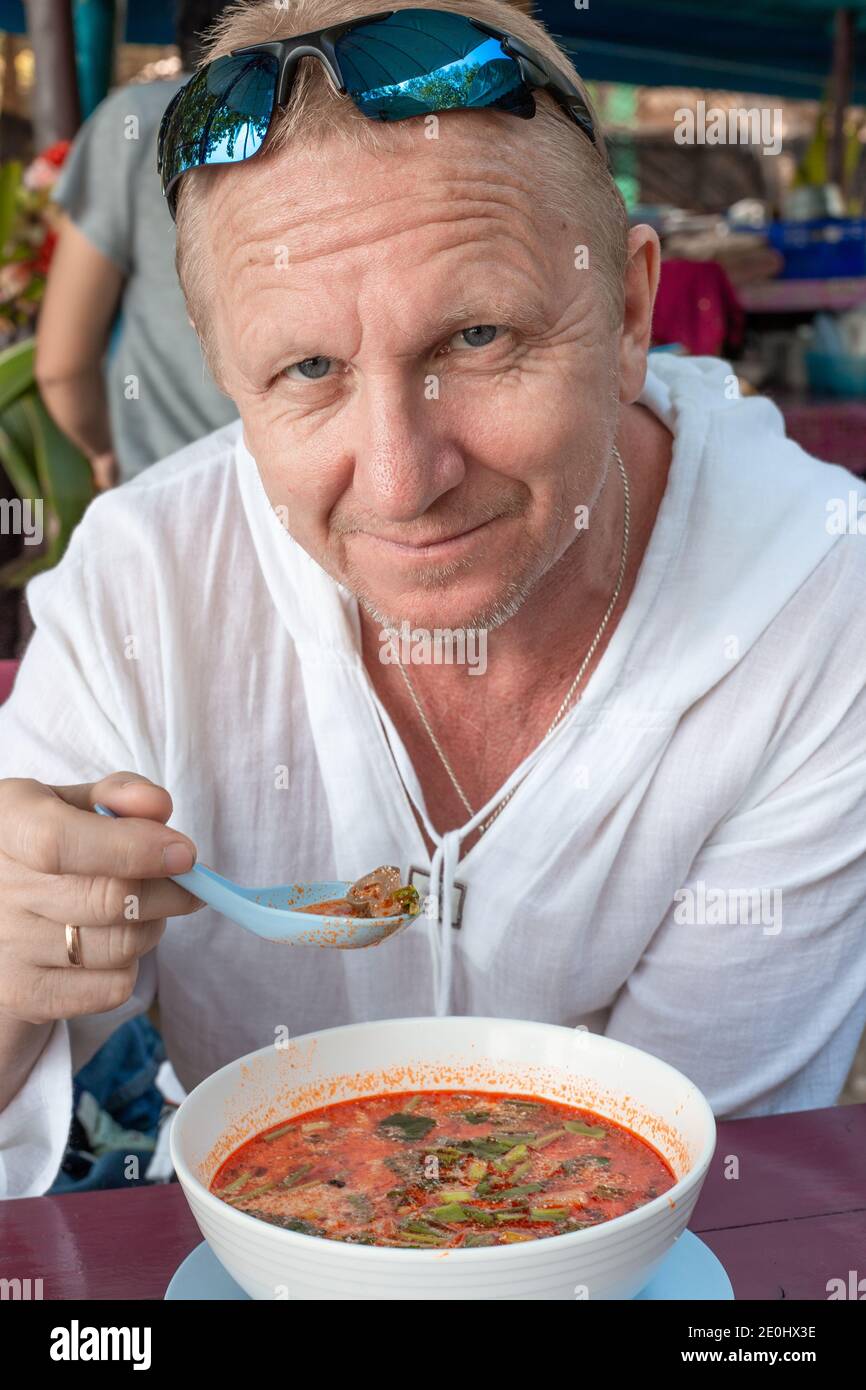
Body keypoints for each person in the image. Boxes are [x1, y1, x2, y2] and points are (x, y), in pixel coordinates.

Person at [2, 0, 866, 1201]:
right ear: (225, 379)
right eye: (305, 368)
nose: (402, 481)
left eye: (474, 336)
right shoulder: (138, 584)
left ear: (625, 315)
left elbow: (685, 1179)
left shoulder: (816, 604)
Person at [34, 0, 236, 488]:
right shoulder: (342, 110)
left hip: (170, 491)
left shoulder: (141, 119)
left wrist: (104, 453)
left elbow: (61, 367)